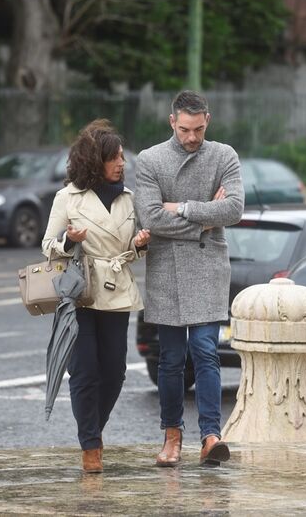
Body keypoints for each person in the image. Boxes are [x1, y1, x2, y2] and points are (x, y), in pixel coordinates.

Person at [135, 90, 244, 467]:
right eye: (184, 129)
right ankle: (172, 434)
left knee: (205, 352)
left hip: (208, 269)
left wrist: (181, 207)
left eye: (198, 129)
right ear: (172, 123)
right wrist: (204, 221)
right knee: (170, 359)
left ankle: (211, 436)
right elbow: (150, 217)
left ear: (207, 121)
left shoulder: (224, 155)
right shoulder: (150, 160)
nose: (192, 137)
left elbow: (234, 208)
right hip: (166, 269)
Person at [41, 119, 151, 474]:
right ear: (95, 161)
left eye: (122, 157)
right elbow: (48, 247)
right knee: (85, 371)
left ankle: (93, 431)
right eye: (115, 158)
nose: (122, 164)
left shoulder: (128, 199)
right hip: (80, 293)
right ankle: (90, 444)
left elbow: (129, 250)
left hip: (116, 291)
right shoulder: (67, 197)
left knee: (114, 373)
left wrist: (138, 246)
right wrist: (71, 240)